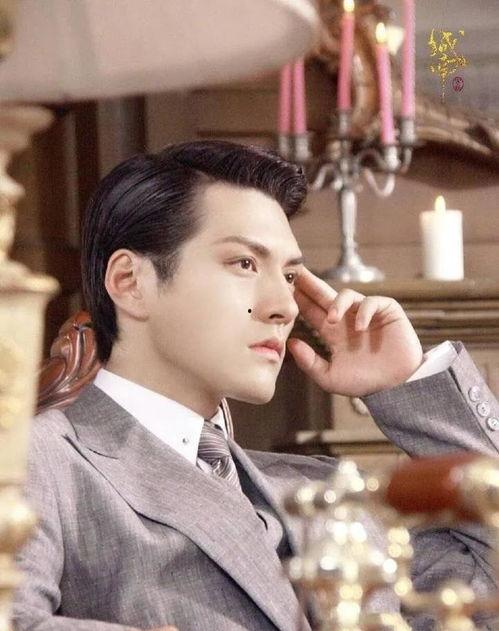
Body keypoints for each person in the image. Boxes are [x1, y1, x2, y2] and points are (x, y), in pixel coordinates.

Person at [13, 141, 499, 631]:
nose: (284, 306)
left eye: (289, 276)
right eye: (244, 263)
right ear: (129, 281)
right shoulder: (36, 461)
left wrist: (407, 383)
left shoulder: (323, 490)